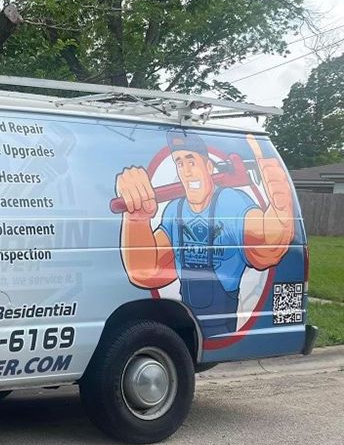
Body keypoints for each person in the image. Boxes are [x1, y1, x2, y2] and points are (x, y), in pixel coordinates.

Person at [116, 130, 295, 339]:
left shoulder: (231, 202)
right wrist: (137, 219)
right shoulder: (175, 210)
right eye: (180, 163)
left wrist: (281, 211)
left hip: (222, 327)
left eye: (191, 161)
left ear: (208, 167)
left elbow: (266, 250)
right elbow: (147, 271)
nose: (186, 171)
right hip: (182, 324)